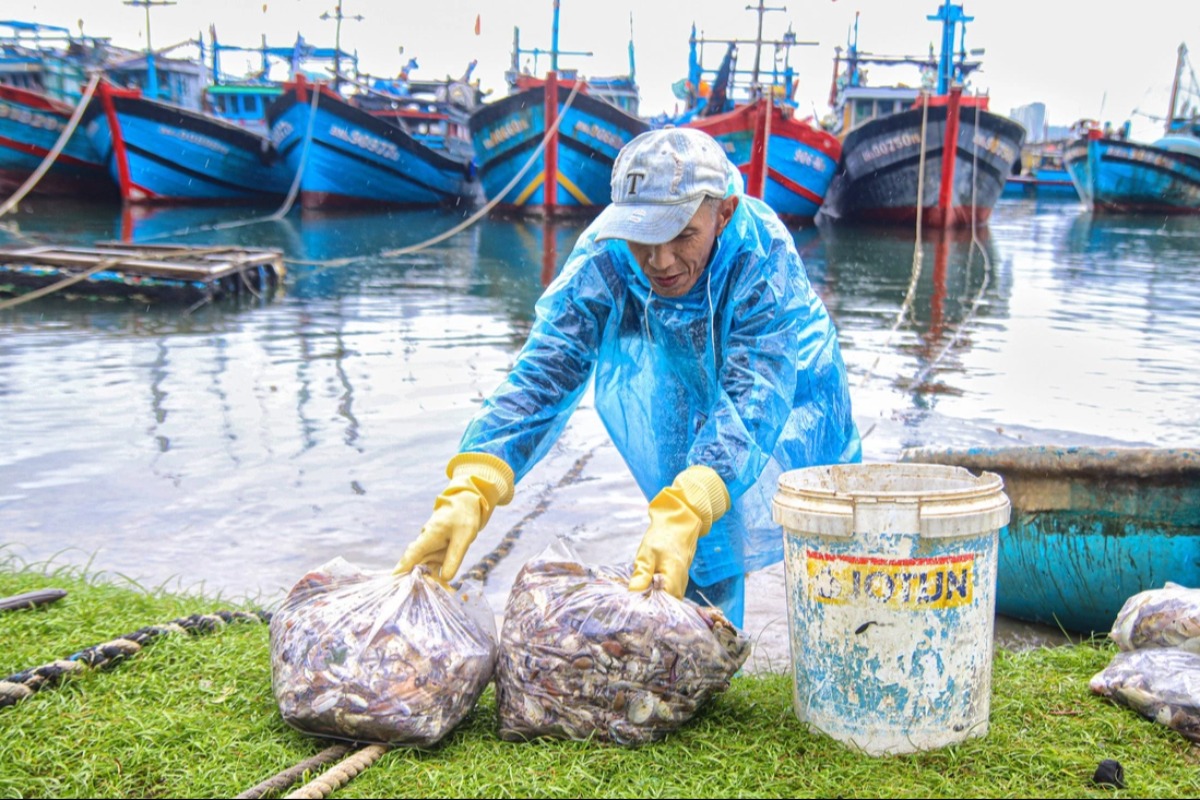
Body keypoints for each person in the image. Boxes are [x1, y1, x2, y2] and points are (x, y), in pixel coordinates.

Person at [395, 127, 861, 628]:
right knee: (689, 526)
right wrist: (476, 479)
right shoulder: (607, 254)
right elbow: (548, 366)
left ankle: (842, 632)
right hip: (679, 371)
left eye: (682, 233)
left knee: (818, 526)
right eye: (643, 235)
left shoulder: (760, 254)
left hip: (794, 383)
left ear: (722, 212)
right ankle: (702, 645)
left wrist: (693, 498)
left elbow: (757, 390)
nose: (659, 261)